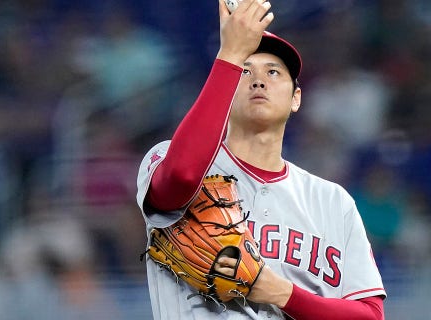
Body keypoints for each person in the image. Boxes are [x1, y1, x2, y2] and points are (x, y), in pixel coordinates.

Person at [135, 0, 386, 318]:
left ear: (296, 97)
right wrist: (230, 54)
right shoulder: (167, 157)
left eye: (273, 72)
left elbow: (370, 315)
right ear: (224, 83)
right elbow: (182, 177)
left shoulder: (333, 202)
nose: (258, 80)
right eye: (243, 70)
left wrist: (279, 292)